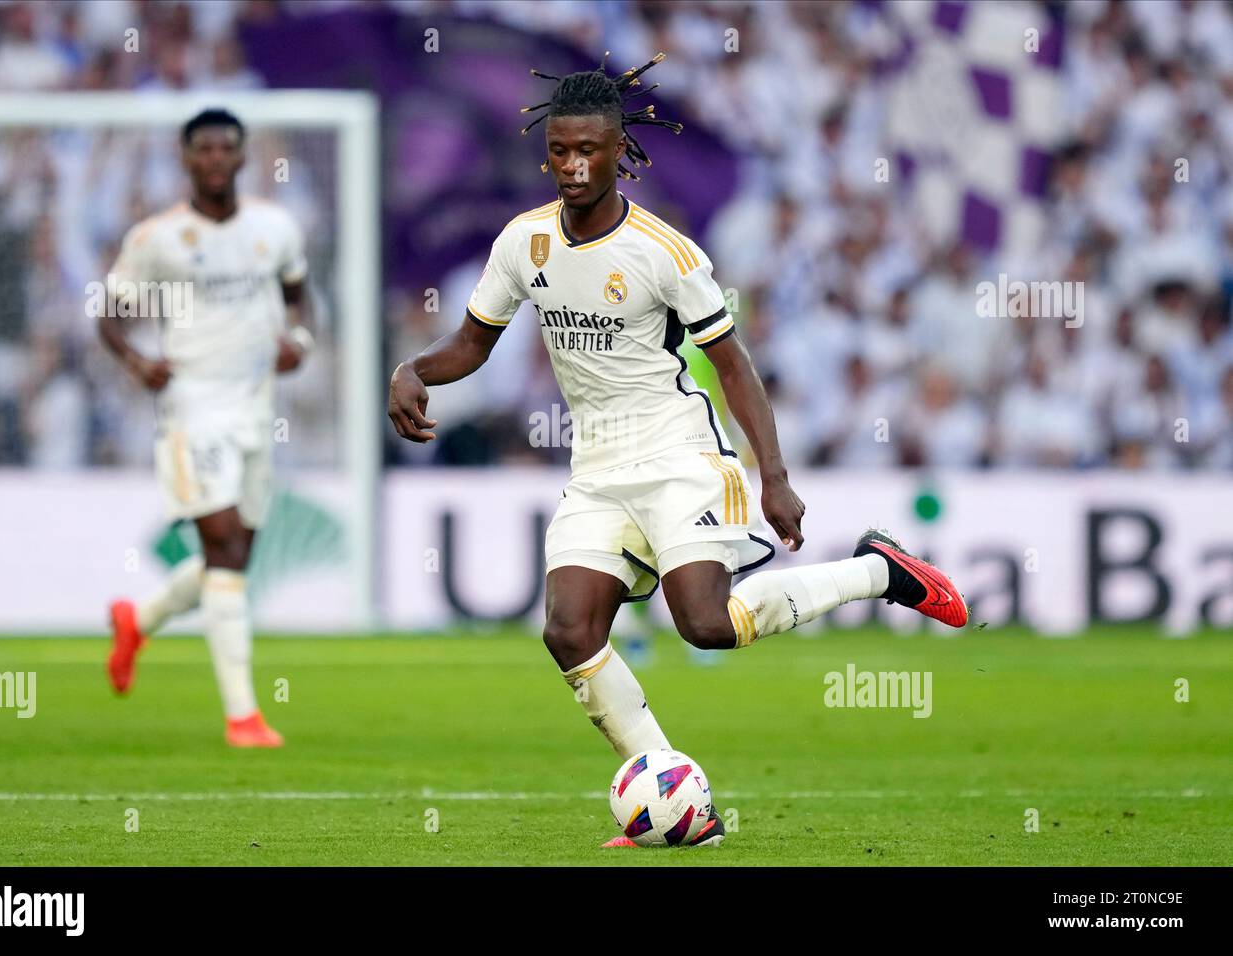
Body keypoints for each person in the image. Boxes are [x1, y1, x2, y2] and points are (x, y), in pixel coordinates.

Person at [387, 56, 967, 846]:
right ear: (547, 151)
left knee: (705, 624)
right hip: (596, 468)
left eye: (590, 150)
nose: (575, 165)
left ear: (620, 149)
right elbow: (470, 344)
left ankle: (879, 571)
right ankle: (674, 797)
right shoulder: (522, 244)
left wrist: (775, 477)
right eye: (561, 151)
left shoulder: (668, 252)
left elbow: (733, 366)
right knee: (567, 630)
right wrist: (414, 370)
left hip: (680, 454)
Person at [98, 108, 313, 748]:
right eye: (204, 150)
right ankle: (243, 716)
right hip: (192, 409)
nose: (217, 159)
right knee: (222, 550)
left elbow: (299, 291)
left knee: (234, 556)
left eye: (227, 148)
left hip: (255, 408)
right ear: (186, 158)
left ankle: (140, 618)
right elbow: (110, 314)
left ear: (243, 157)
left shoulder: (274, 227)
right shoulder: (157, 237)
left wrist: (297, 338)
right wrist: (137, 361)